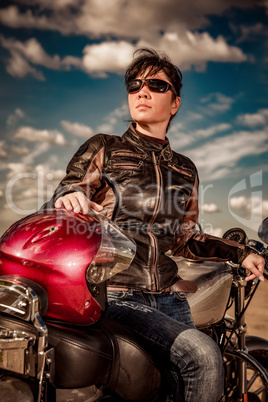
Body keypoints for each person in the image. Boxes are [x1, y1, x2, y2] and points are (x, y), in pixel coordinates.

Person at [46, 48, 265, 401]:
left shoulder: (185, 168)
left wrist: (240, 254)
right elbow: (71, 187)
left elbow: (184, 238)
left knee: (174, 385)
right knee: (204, 357)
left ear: (174, 103)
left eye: (155, 85)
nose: (142, 91)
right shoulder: (106, 147)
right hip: (115, 293)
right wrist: (69, 196)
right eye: (134, 85)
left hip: (170, 297)